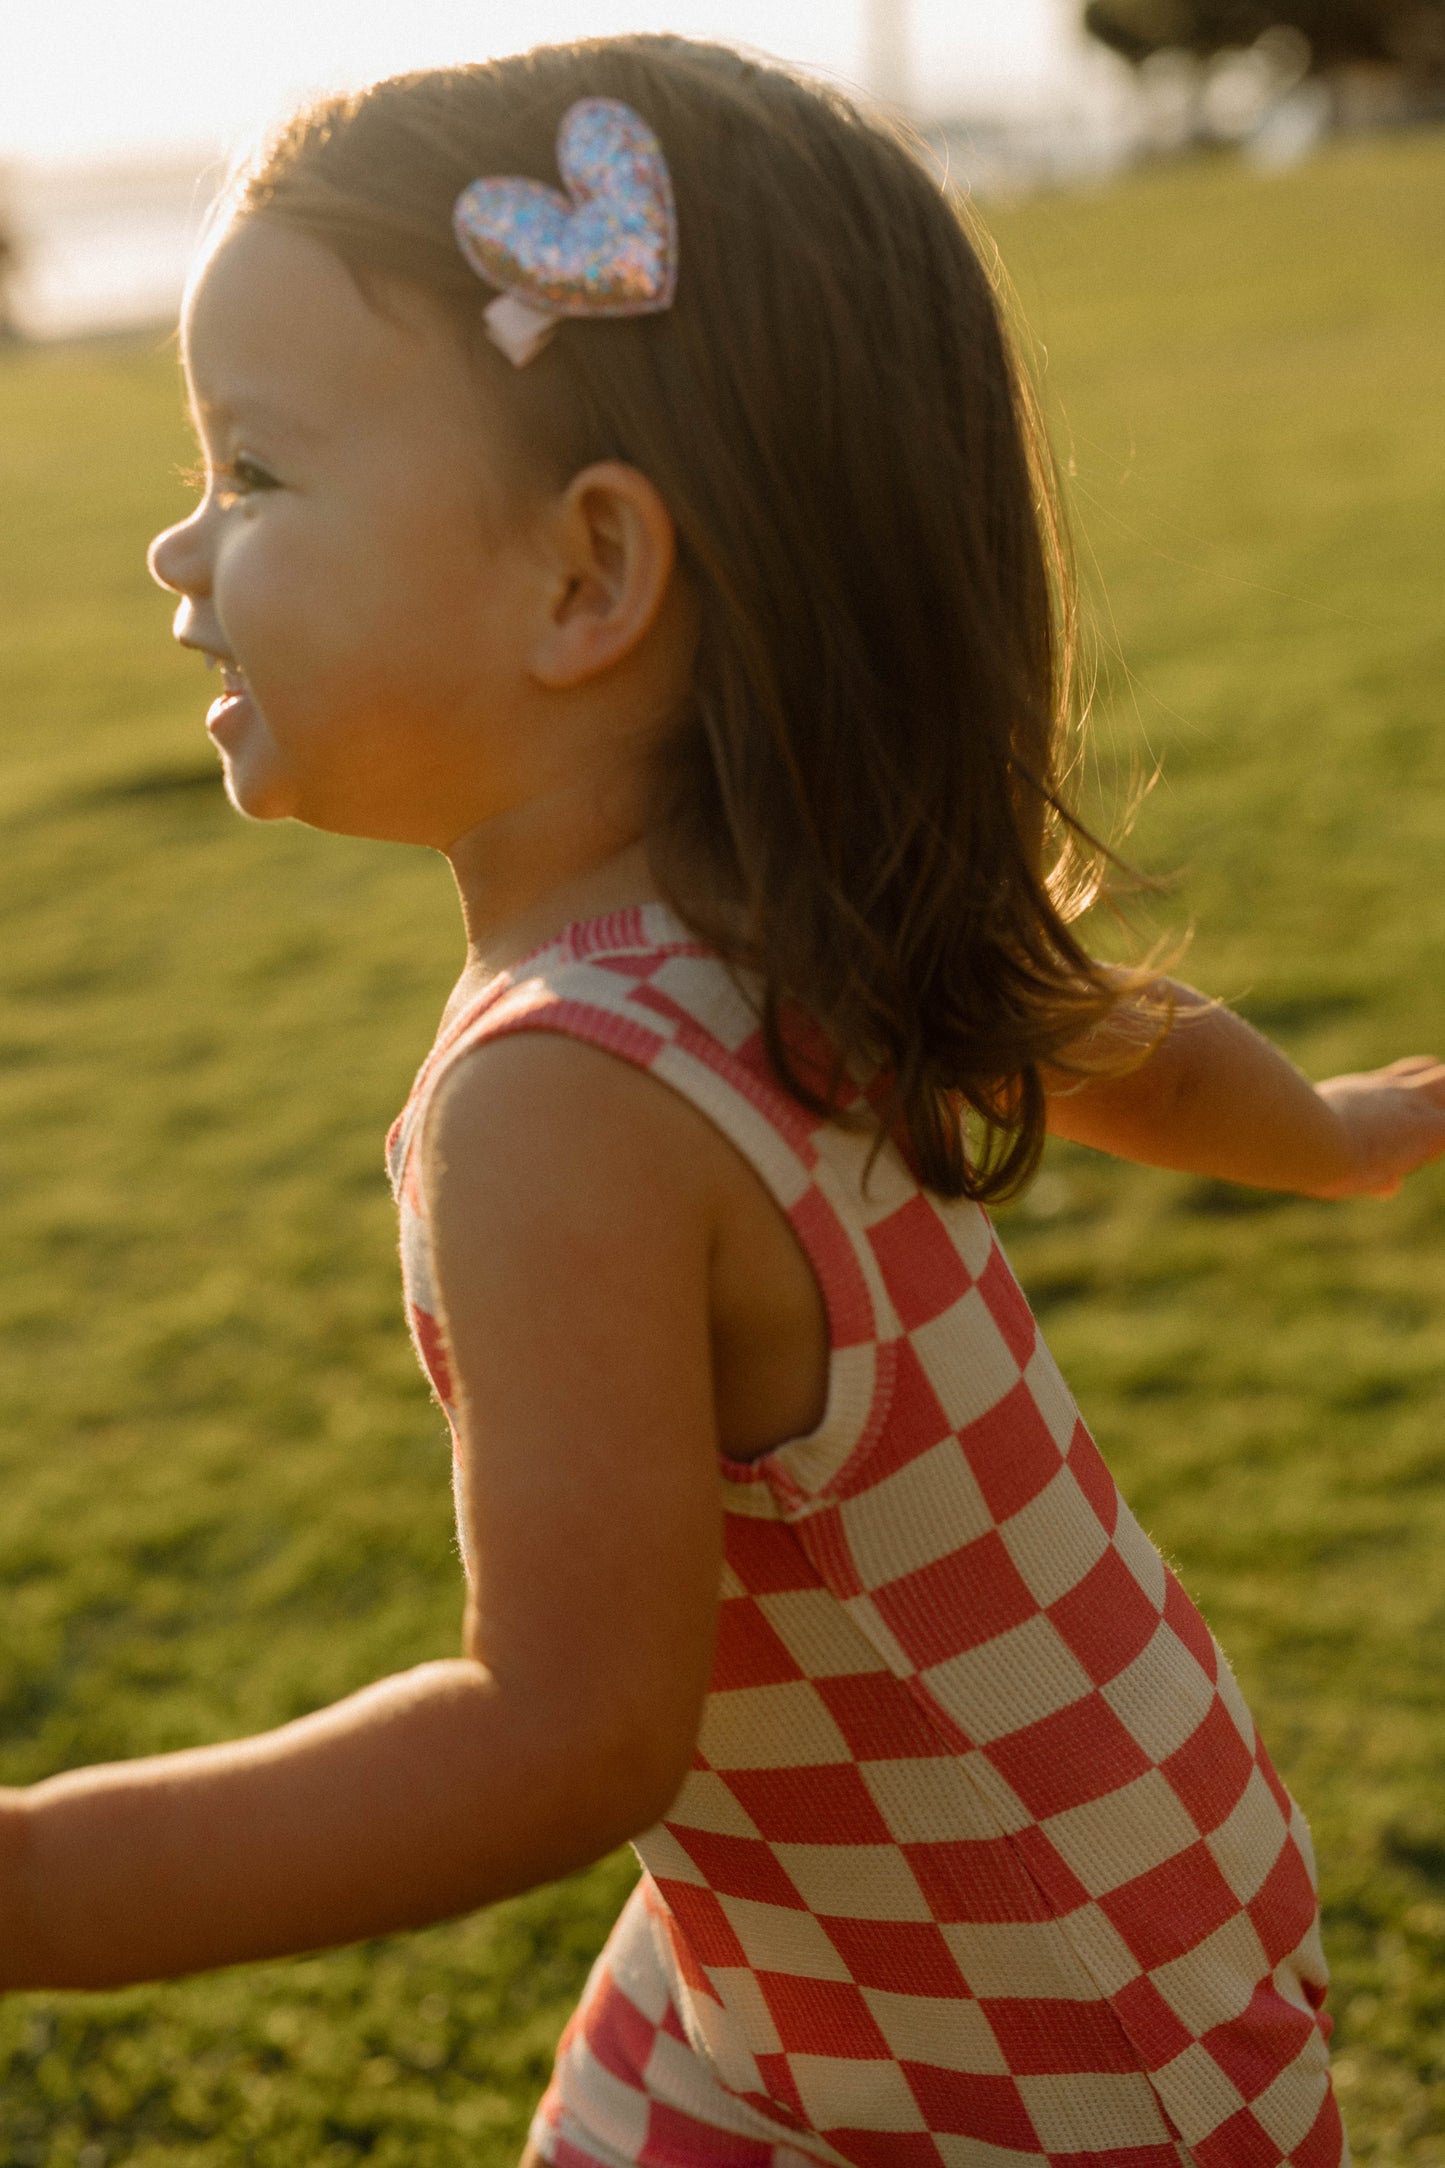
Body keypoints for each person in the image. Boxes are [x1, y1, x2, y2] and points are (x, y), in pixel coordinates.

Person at [3, 36, 1443, 2168]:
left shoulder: (559, 1107)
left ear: (588, 577)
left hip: (1022, 2036)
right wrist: (1320, 1133)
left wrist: (33, 1875)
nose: (176, 544)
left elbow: (563, 1739)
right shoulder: (791, 903)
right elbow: (1108, 1031)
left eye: (258, 472)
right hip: (1044, 1862)